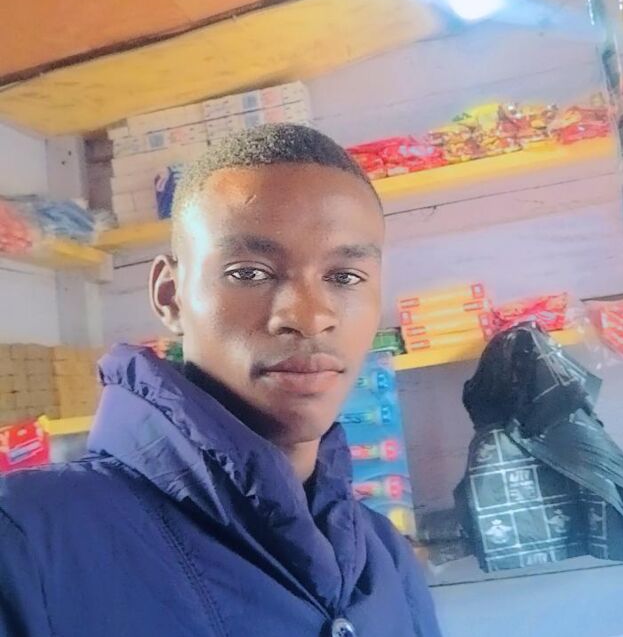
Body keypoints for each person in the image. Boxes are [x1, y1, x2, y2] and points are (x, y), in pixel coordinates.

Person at [0, 124, 440, 636]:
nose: (309, 316)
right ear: (170, 296)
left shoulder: (387, 561)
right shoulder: (26, 542)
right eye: (248, 273)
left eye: (345, 277)